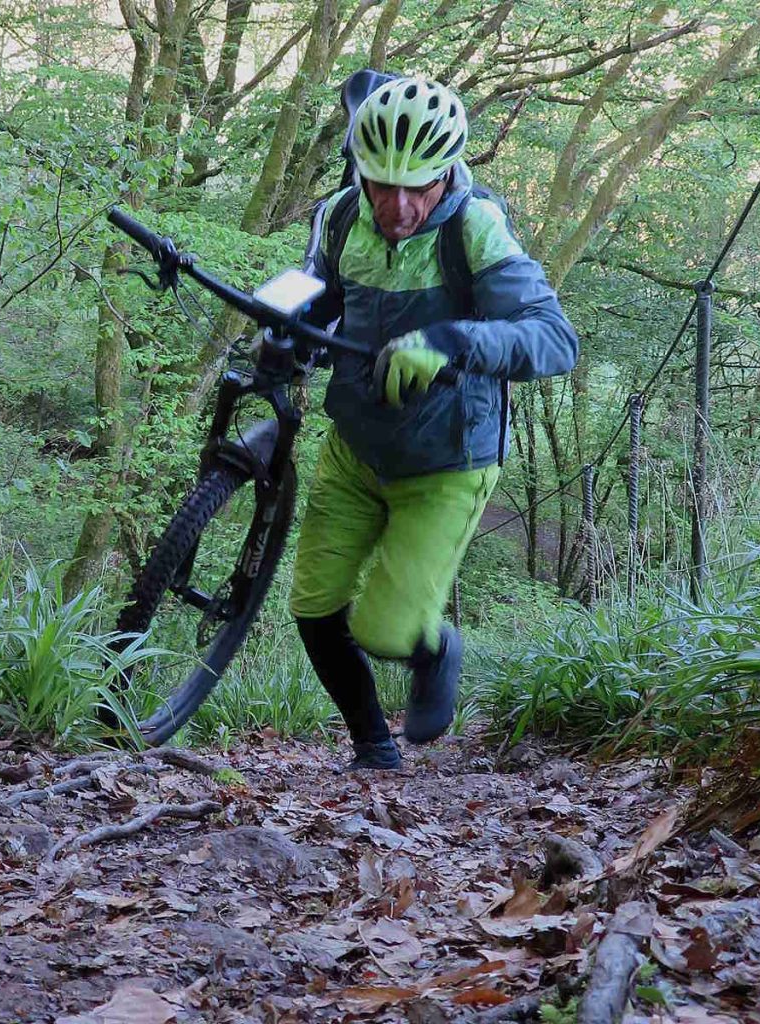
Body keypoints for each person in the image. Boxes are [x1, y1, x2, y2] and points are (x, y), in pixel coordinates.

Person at [288, 75, 578, 770]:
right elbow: (313, 299)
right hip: (354, 447)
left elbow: (553, 339)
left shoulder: (475, 227)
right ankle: (371, 747)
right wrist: (281, 338)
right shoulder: (336, 216)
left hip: (448, 461)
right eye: (381, 184)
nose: (398, 205)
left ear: (447, 169)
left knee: (385, 629)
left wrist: (452, 342)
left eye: (417, 186)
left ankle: (436, 647)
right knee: (313, 607)